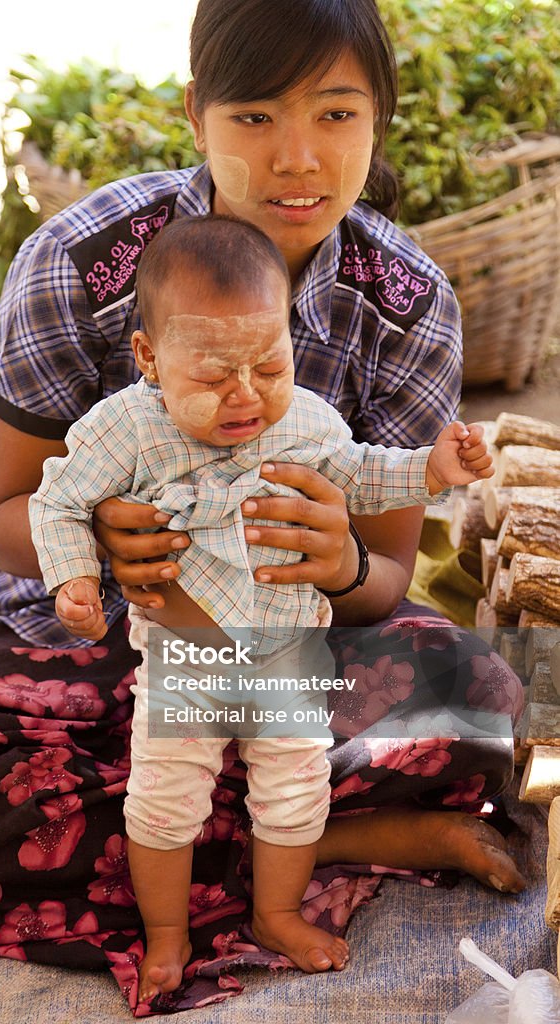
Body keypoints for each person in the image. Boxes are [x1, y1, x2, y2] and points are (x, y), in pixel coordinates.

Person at [0, 0, 526, 1016]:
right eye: (256, 116)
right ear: (196, 114)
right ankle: (311, 842)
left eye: (337, 115)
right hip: (86, 653)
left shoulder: (404, 302)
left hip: (286, 658)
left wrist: (343, 567)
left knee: (492, 692)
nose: (297, 159)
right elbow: (4, 512)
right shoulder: (82, 267)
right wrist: (88, 546)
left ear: (378, 122)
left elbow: (386, 583)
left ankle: (213, 841)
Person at [28, 211, 498, 1001]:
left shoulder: (307, 420)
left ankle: (276, 910)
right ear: (148, 357)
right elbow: (55, 501)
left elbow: (365, 474)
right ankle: (169, 934)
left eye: (268, 366)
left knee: (294, 787)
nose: (245, 394)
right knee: (163, 798)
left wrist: (436, 469)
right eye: (212, 376)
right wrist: (74, 576)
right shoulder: (125, 431)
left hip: (286, 654)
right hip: (186, 661)